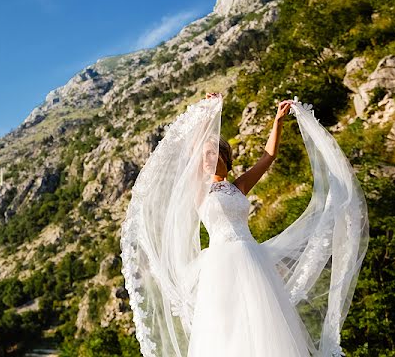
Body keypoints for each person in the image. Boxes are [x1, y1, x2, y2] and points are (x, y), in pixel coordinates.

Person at [120, 93, 368, 357]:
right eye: (204, 154)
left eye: (212, 153)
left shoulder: (238, 186)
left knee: (264, 324)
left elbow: (268, 157)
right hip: (220, 263)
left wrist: (278, 121)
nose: (206, 158)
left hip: (252, 257)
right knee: (226, 326)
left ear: (225, 157)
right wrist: (210, 114)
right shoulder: (200, 189)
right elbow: (193, 151)